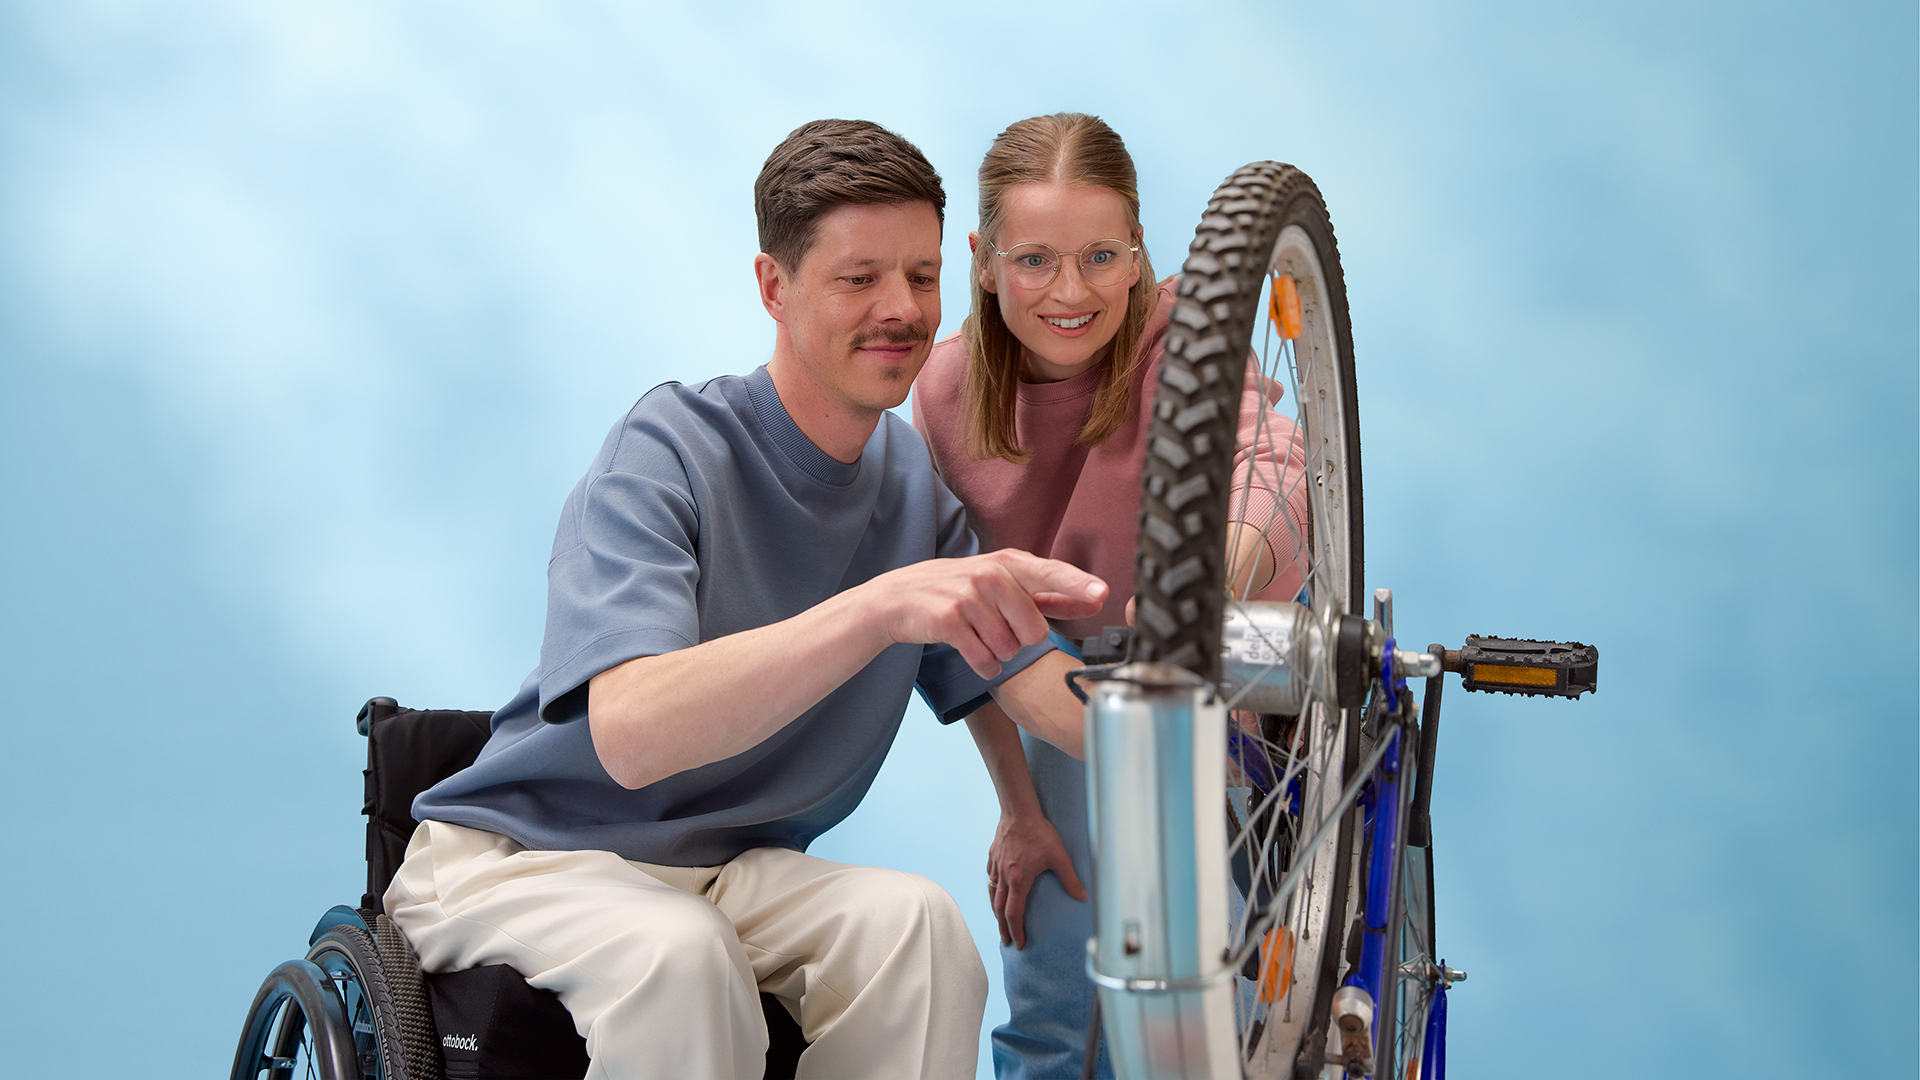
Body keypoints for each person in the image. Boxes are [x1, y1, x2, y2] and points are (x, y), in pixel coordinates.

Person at [389, 119, 1108, 1080]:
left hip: (728, 870)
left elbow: (1037, 686)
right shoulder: (669, 449)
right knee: (680, 958)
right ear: (775, 286)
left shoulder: (912, 490)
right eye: (860, 279)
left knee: (922, 933)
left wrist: (1201, 728)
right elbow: (634, 733)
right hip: (529, 859)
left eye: (923, 278)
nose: (901, 310)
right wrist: (882, 608)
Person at [912, 113, 1310, 1080]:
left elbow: (1275, 460)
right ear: (984, 261)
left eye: (1100, 254)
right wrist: (1018, 809)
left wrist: (1197, 595)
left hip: (1223, 657)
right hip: (1064, 692)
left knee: (1217, 998)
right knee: (1055, 1003)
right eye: (1036, 260)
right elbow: (971, 631)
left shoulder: (1182, 335)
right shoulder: (944, 395)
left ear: (1139, 252)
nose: (1071, 291)